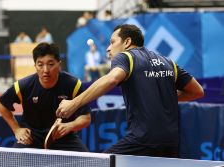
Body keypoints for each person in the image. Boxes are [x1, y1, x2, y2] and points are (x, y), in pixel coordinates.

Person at [56, 24, 204, 157]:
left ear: (127, 42)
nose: (108, 48)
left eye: (113, 42)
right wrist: (161, 98)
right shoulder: (168, 61)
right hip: (171, 141)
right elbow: (197, 91)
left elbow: (112, 79)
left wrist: (74, 103)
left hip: (142, 139)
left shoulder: (125, 56)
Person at [0, 42, 91, 151]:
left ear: (59, 65)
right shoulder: (23, 86)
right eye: (40, 65)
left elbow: (86, 118)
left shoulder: (73, 85)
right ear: (35, 66)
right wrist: (17, 130)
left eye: (50, 64)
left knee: (87, 162)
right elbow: (1, 104)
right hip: (31, 137)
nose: (45, 70)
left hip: (63, 136)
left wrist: (70, 126)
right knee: (14, 164)